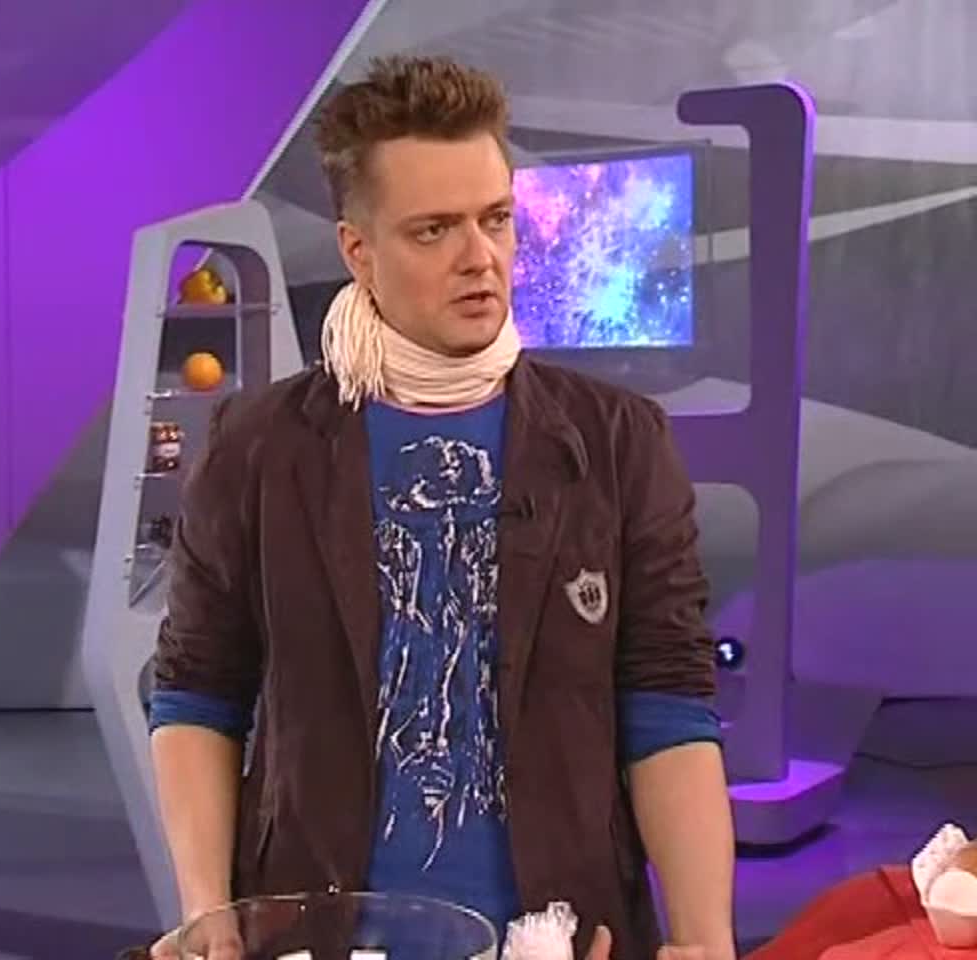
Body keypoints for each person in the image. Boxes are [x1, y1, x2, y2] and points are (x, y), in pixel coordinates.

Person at [148, 55, 736, 960]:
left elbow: (668, 707)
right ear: (358, 252)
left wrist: (704, 938)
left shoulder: (619, 444)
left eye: (495, 218)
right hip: (317, 932)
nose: (480, 258)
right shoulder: (257, 448)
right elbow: (197, 693)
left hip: (561, 938)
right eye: (433, 231)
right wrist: (206, 912)